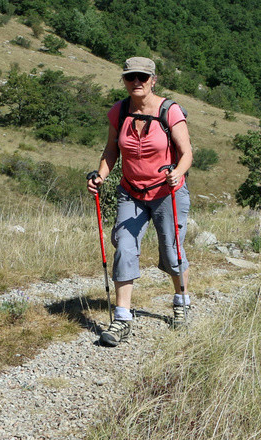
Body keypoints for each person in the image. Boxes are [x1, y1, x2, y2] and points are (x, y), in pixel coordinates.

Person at [87, 57, 193, 347]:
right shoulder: (119, 112)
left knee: (172, 250)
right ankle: (122, 318)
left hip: (167, 192)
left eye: (142, 77)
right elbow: (111, 151)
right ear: (124, 79)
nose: (136, 82)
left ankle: (181, 302)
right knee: (124, 244)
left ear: (153, 80)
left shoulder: (169, 112)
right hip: (130, 191)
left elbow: (186, 154)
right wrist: (100, 176)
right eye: (130, 77)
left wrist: (177, 173)